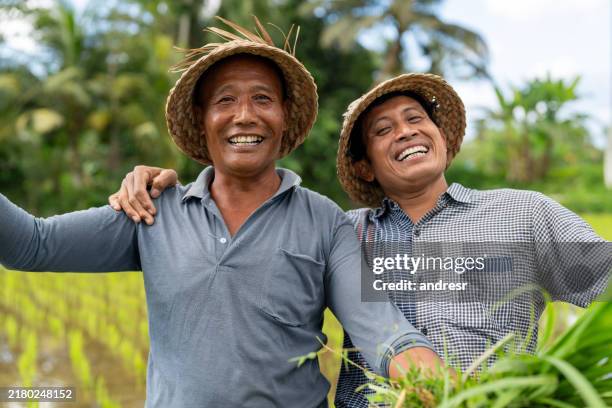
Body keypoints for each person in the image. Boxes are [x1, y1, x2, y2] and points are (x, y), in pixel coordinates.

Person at [0, 18, 445, 408]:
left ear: (284, 116)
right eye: (225, 100)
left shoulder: (324, 221)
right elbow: (31, 245)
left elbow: (383, 331)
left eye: (263, 99)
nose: (245, 116)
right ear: (203, 118)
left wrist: (437, 385)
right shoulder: (152, 210)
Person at [114, 73, 610, 407]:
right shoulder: (341, 233)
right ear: (363, 165)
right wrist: (164, 188)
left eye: (417, 120)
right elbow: (244, 241)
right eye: (383, 129)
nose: (407, 132)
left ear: (440, 137)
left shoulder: (523, 216)